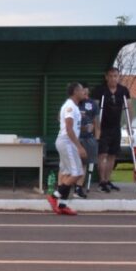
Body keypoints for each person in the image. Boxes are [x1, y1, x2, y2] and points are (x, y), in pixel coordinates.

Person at [92, 67, 133, 193]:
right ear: (106, 77)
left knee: (112, 155)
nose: (113, 78)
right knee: (102, 154)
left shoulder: (123, 90)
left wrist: (129, 125)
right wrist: (96, 128)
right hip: (103, 128)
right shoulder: (100, 90)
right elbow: (94, 111)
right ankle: (102, 181)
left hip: (116, 128)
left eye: (115, 76)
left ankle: (108, 180)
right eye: (110, 76)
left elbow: (129, 107)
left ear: (118, 77)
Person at [49, 82, 87, 216]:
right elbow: (69, 129)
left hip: (66, 141)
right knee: (77, 173)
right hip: (67, 142)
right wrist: (79, 147)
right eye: (82, 90)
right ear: (75, 92)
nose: (84, 92)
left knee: (68, 174)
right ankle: (54, 196)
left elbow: (61, 119)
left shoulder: (71, 106)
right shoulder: (70, 106)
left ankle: (63, 204)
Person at [78, 85, 100, 197]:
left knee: (84, 163)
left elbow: (96, 121)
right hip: (75, 138)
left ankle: (79, 187)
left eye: (87, 93)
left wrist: (97, 137)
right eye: (83, 93)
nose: (85, 96)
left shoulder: (92, 104)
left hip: (88, 138)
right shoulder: (73, 104)